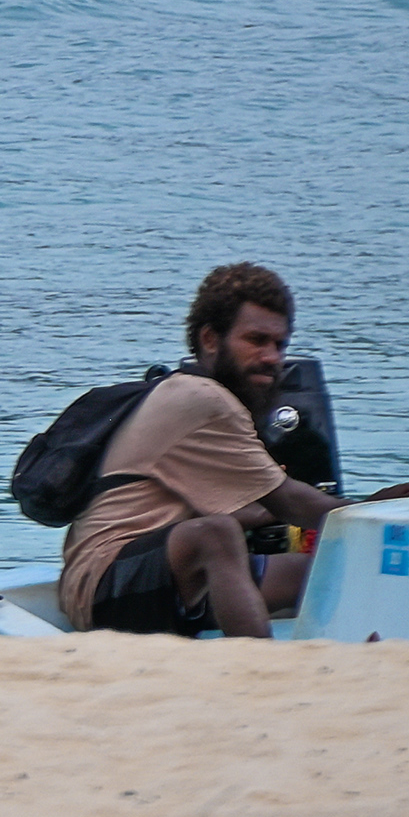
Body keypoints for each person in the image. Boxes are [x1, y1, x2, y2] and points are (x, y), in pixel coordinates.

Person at [60, 262, 345, 638]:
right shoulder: (201, 399)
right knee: (216, 535)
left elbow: (251, 505)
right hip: (103, 589)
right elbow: (290, 502)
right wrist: (383, 515)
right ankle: (262, 668)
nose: (273, 357)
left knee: (307, 570)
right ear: (210, 339)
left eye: (280, 344)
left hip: (157, 582)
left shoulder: (190, 396)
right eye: (257, 340)